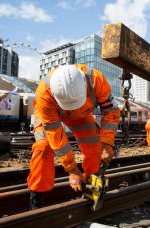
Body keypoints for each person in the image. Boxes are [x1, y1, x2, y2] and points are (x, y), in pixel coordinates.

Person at [27, 64, 120, 209]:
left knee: (95, 148)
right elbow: (56, 136)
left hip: (82, 114)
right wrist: (72, 170)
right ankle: (36, 202)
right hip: (51, 114)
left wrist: (107, 142)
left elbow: (111, 111)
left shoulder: (96, 80)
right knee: (43, 147)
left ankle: (91, 190)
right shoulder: (44, 94)